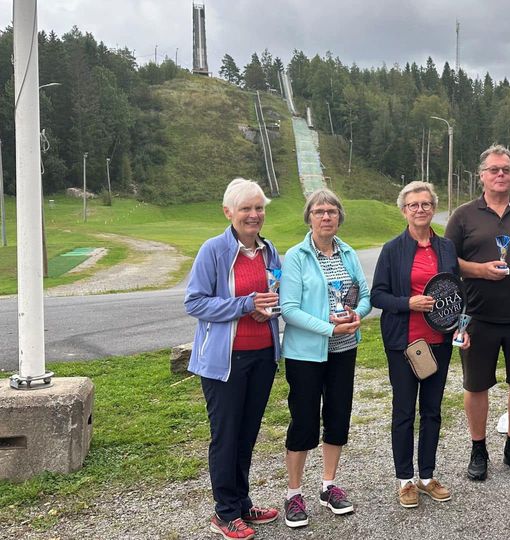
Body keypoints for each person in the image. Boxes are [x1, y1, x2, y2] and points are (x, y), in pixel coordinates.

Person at [445, 144, 510, 480]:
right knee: (476, 386)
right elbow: (447, 262)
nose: (500, 174)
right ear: (482, 175)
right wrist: (479, 270)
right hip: (476, 316)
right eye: (494, 169)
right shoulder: (464, 215)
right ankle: (478, 449)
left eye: (506, 169)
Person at [184, 178, 281, 540]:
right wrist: (244, 304)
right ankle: (224, 513)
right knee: (226, 436)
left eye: (259, 208)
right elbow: (194, 302)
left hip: (263, 356)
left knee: (247, 433)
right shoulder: (213, 250)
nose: (254, 215)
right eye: (246, 209)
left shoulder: (270, 251)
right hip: (224, 361)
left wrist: (267, 308)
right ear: (228, 212)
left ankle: (241, 502)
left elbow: (274, 295)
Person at [371, 181, 471, 509]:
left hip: (438, 342)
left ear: (433, 208)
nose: (420, 209)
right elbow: (378, 295)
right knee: (403, 411)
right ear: (404, 211)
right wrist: (407, 303)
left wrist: (461, 327)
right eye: (413, 205)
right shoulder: (392, 249)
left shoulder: (446, 248)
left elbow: (456, 293)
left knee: (432, 410)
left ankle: (427, 477)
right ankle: (405, 480)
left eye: (426, 204)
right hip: (404, 343)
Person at [279, 188, 371, 527]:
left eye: (332, 211)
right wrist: (328, 328)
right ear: (309, 217)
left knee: (337, 417)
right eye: (319, 211)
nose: (326, 216)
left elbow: (364, 295)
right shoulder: (296, 256)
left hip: (344, 350)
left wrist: (357, 315)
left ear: (339, 217)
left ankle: (328, 486)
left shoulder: (348, 253)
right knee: (304, 420)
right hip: (306, 354)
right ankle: (294, 493)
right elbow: (289, 309)